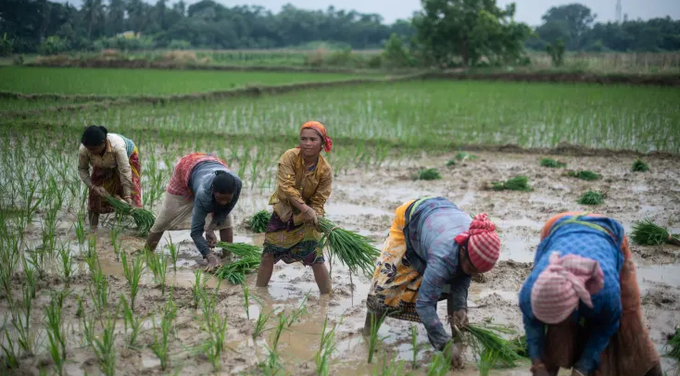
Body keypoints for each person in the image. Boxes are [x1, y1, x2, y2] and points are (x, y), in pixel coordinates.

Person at [363, 196, 501, 368]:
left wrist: (461, 308)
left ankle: (458, 340)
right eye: (473, 269)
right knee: (386, 284)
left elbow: (461, 281)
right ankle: (367, 335)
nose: (473, 275)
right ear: (463, 251)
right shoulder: (443, 256)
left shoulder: (474, 242)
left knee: (456, 278)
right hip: (411, 219)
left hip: (440, 216)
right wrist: (444, 343)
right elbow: (424, 304)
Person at [519, 212, 662, 376]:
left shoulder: (605, 292)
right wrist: (537, 364)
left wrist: (583, 368)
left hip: (608, 232)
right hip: (556, 226)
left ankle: (652, 372)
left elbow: (606, 326)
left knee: (629, 321)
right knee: (558, 335)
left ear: (575, 304)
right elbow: (532, 325)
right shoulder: (530, 293)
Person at [255, 121, 333, 294]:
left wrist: (315, 215)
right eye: (304, 139)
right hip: (283, 213)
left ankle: (327, 297)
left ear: (322, 143)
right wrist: (305, 209)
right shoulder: (290, 156)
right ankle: (259, 292)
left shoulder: (325, 170)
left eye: (313, 139)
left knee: (316, 258)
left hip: (307, 219)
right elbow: (286, 188)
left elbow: (320, 199)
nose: (307, 143)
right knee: (268, 254)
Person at [142, 152, 241, 272]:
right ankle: (145, 254)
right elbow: (195, 232)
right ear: (213, 191)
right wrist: (209, 256)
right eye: (220, 199)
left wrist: (210, 229)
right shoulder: (204, 192)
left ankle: (227, 257)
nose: (224, 202)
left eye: (228, 199)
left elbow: (225, 210)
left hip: (210, 164)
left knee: (225, 220)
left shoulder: (237, 184)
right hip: (186, 169)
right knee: (165, 218)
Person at [78, 125, 142, 230]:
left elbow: (125, 171)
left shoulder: (117, 147)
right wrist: (93, 187)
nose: (91, 152)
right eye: (89, 149)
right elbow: (82, 169)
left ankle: (141, 226)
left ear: (103, 143)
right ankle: (93, 228)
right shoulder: (84, 149)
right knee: (95, 195)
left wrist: (127, 197)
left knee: (133, 191)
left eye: (94, 149)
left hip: (128, 156)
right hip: (102, 162)